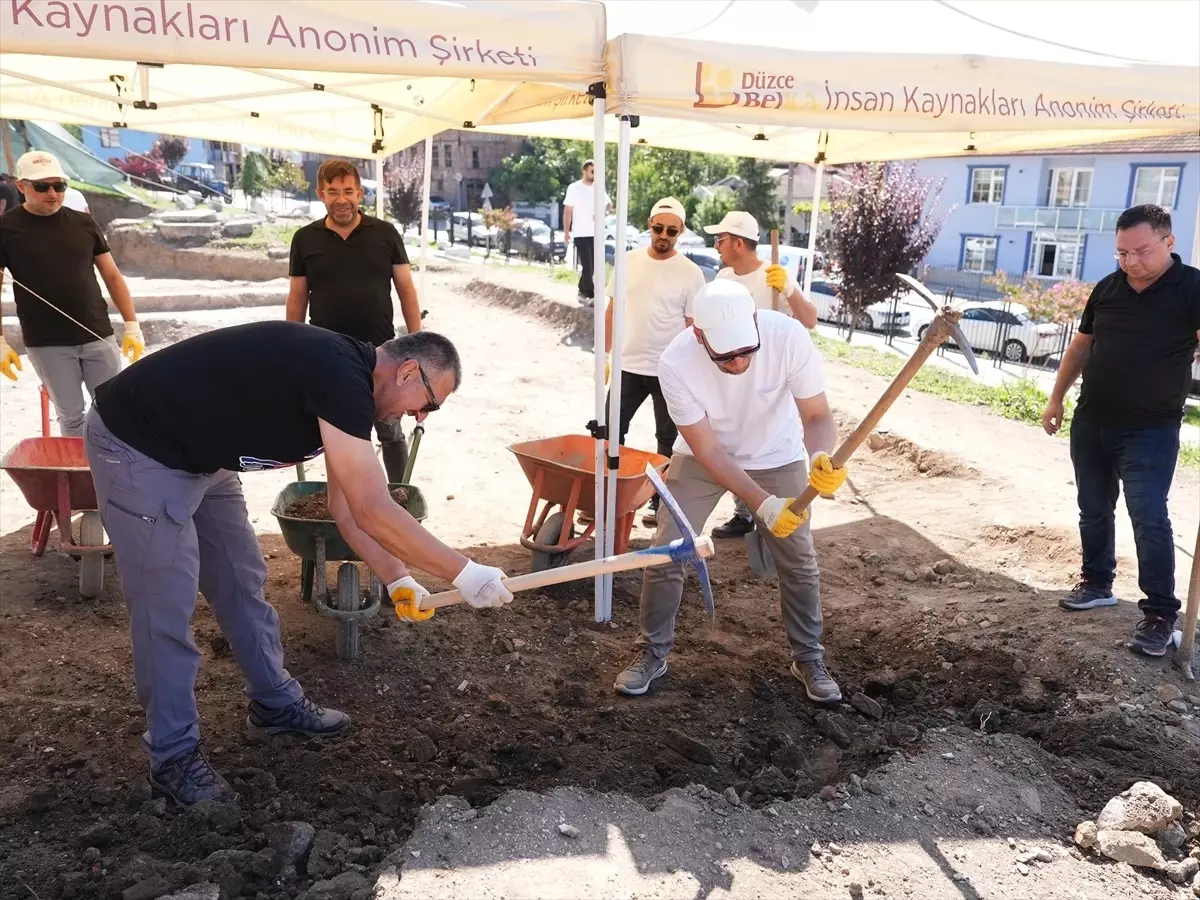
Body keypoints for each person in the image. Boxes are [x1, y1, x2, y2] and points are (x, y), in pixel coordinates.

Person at [84, 321, 513, 805]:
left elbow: (345, 508)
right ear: (410, 371)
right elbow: (373, 506)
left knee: (242, 580)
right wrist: (463, 571)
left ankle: (274, 704)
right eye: (429, 403)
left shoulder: (352, 393)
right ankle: (173, 756)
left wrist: (398, 578)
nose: (421, 416)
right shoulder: (337, 373)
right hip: (140, 446)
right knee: (165, 604)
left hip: (204, 454)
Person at [613, 280, 848, 702]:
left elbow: (816, 415)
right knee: (668, 548)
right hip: (704, 458)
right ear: (700, 335)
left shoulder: (787, 336)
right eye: (726, 356)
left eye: (746, 352)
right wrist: (762, 505)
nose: (739, 362)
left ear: (755, 322)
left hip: (778, 454)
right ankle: (652, 652)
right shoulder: (676, 362)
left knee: (798, 557)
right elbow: (709, 450)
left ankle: (808, 656)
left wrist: (818, 456)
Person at [1042, 204, 1200, 657]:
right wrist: (1056, 398)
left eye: (1141, 251)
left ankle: (1160, 613)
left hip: (1151, 429)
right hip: (1092, 420)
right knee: (1092, 508)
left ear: (1169, 243)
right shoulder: (1108, 288)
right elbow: (1080, 346)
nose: (1131, 261)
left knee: (1149, 516)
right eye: (1121, 253)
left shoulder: (1192, 288)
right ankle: (1096, 582)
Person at [287, 159, 423, 483]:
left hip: (381, 353)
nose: (341, 199)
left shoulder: (386, 234)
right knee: (338, 436)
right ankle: (347, 502)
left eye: (348, 191)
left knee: (390, 430)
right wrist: (288, 346)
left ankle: (399, 497)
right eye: (333, 192)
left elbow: (406, 291)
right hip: (328, 355)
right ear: (321, 194)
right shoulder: (305, 239)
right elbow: (297, 297)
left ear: (360, 193)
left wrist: (418, 346)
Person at [0, 151, 143, 434]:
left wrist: (132, 325)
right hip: (46, 342)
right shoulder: (5, 229)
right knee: (72, 417)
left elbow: (112, 276)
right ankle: (82, 477)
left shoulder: (84, 223)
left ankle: (114, 475)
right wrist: (0, 341)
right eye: (42, 186)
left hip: (97, 332)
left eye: (59, 186)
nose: (52, 193)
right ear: (21, 186)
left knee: (114, 411)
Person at [701, 210, 819, 539]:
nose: (716, 246)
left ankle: (773, 514)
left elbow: (810, 320)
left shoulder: (774, 274)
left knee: (766, 444)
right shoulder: (723, 278)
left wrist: (789, 291)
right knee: (733, 442)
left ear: (738, 242)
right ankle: (745, 514)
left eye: (720, 239)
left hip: (768, 376)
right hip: (732, 373)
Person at [603, 197, 706, 527]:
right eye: (659, 228)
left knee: (668, 440)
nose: (664, 235)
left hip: (669, 370)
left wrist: (694, 372)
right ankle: (607, 493)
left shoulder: (691, 273)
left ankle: (659, 502)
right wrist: (606, 355)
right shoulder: (628, 261)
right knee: (609, 432)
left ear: (681, 232)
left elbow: (694, 327)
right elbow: (612, 310)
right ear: (649, 224)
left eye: (671, 230)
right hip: (627, 366)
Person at [562, 159, 612, 306]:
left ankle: (582, 291)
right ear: (584, 171)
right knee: (587, 264)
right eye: (592, 171)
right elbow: (567, 211)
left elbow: (609, 204)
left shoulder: (599, 188)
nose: (594, 174)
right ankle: (591, 294)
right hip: (580, 233)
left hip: (596, 233)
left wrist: (604, 212)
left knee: (594, 265)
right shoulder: (574, 188)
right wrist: (566, 232)